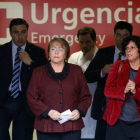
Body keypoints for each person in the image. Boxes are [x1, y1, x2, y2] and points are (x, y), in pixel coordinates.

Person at [27, 38, 92, 140]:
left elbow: (86, 96)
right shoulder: (38, 72)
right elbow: (31, 97)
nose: (56, 52)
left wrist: (79, 111)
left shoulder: (76, 71)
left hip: (72, 126)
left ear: (66, 54)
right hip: (46, 126)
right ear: (48, 52)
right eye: (53, 49)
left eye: (61, 49)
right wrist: (48, 111)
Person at [84, 21, 133, 140]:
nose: (121, 39)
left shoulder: (137, 54)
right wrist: (102, 71)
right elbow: (87, 76)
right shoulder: (103, 53)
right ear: (114, 35)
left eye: (125, 35)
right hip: (105, 109)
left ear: (130, 36)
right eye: (118, 35)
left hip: (130, 109)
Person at [0, 18, 47, 140]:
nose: (20, 36)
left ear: (28, 32)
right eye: (16, 32)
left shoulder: (38, 52)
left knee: (22, 137)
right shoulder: (1, 51)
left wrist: (30, 62)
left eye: (23, 31)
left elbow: (45, 76)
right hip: (3, 99)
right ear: (10, 33)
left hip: (25, 101)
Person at [103, 35, 140, 140]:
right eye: (126, 48)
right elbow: (107, 90)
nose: (129, 51)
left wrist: (135, 90)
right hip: (118, 122)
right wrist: (123, 90)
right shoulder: (118, 65)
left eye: (132, 47)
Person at [68, 26, 98, 140]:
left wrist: (89, 61)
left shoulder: (102, 56)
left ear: (95, 41)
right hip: (77, 108)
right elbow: (72, 81)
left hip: (96, 107)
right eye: (81, 42)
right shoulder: (74, 57)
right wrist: (87, 62)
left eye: (88, 42)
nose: (84, 45)